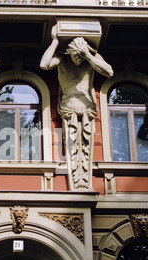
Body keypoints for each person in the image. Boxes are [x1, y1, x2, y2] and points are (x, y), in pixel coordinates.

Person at [40, 24, 113, 191]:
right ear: (69, 52)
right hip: (68, 109)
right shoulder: (61, 58)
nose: (78, 59)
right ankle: (78, 181)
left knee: (85, 147)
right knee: (72, 146)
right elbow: (44, 65)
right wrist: (55, 41)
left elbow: (109, 72)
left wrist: (87, 54)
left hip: (87, 110)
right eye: (76, 55)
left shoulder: (91, 58)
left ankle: (82, 181)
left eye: (80, 56)